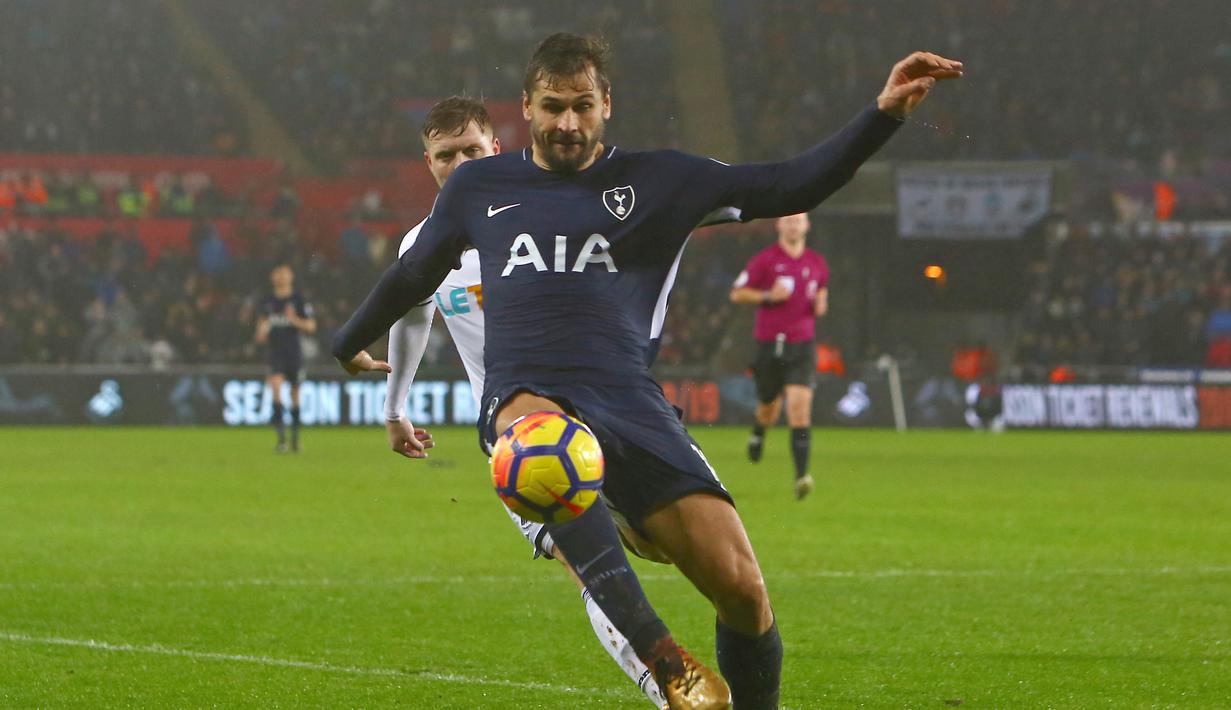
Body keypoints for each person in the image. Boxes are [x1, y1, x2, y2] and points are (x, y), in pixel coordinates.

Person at [333, 34, 960, 710]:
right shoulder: (481, 186)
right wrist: (348, 343)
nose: (566, 123)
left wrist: (884, 113)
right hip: (524, 393)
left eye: (580, 106)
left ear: (606, 104)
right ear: (526, 107)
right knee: (542, 450)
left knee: (742, 590)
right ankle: (662, 659)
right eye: (551, 107)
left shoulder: (664, 179)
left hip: (629, 399)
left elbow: (790, 183)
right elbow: (410, 276)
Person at [374, 95, 669, 707]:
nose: (459, 164)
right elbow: (410, 320)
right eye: (445, 155)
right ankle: (667, 687)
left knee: (661, 545)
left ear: (496, 149)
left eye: (471, 151)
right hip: (519, 434)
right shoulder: (422, 246)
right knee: (588, 566)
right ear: (426, 162)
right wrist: (395, 407)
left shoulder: (549, 215)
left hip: (608, 412)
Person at [729, 212, 829, 500]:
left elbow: (822, 296)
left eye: (798, 221)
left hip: (802, 346)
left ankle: (801, 476)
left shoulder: (816, 263)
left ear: (807, 225)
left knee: (798, 409)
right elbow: (737, 293)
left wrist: (821, 303)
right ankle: (759, 431)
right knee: (768, 407)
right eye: (789, 221)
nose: (794, 225)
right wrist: (767, 296)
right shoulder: (766, 260)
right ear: (780, 226)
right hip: (769, 345)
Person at [255, 264, 316, 453]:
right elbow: (259, 334)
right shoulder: (268, 302)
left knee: (295, 395)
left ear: (290, 277)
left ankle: (295, 440)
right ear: (273, 277)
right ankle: (281, 440)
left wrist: (294, 320)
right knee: (276, 388)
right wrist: (262, 330)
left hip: (294, 353)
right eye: (278, 273)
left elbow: (311, 327)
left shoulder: (298, 300)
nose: (281, 277)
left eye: (284, 273)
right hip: (275, 354)